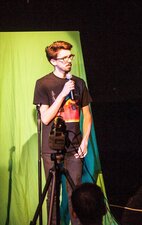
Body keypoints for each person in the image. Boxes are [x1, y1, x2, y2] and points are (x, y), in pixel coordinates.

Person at [33, 40, 93, 224]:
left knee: (76, 195)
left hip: (74, 148)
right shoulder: (43, 83)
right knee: (52, 196)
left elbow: (87, 115)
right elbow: (45, 118)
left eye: (70, 56)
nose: (69, 60)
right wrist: (62, 93)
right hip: (51, 149)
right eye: (64, 57)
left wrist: (85, 142)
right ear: (53, 61)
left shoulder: (79, 83)